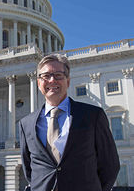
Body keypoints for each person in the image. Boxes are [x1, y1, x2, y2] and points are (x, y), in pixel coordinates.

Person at [19, 54, 120, 191]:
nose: (52, 80)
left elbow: (110, 164)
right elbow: (29, 170)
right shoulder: (26, 124)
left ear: (68, 81)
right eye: (46, 76)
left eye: (58, 75)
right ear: (38, 83)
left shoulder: (93, 116)